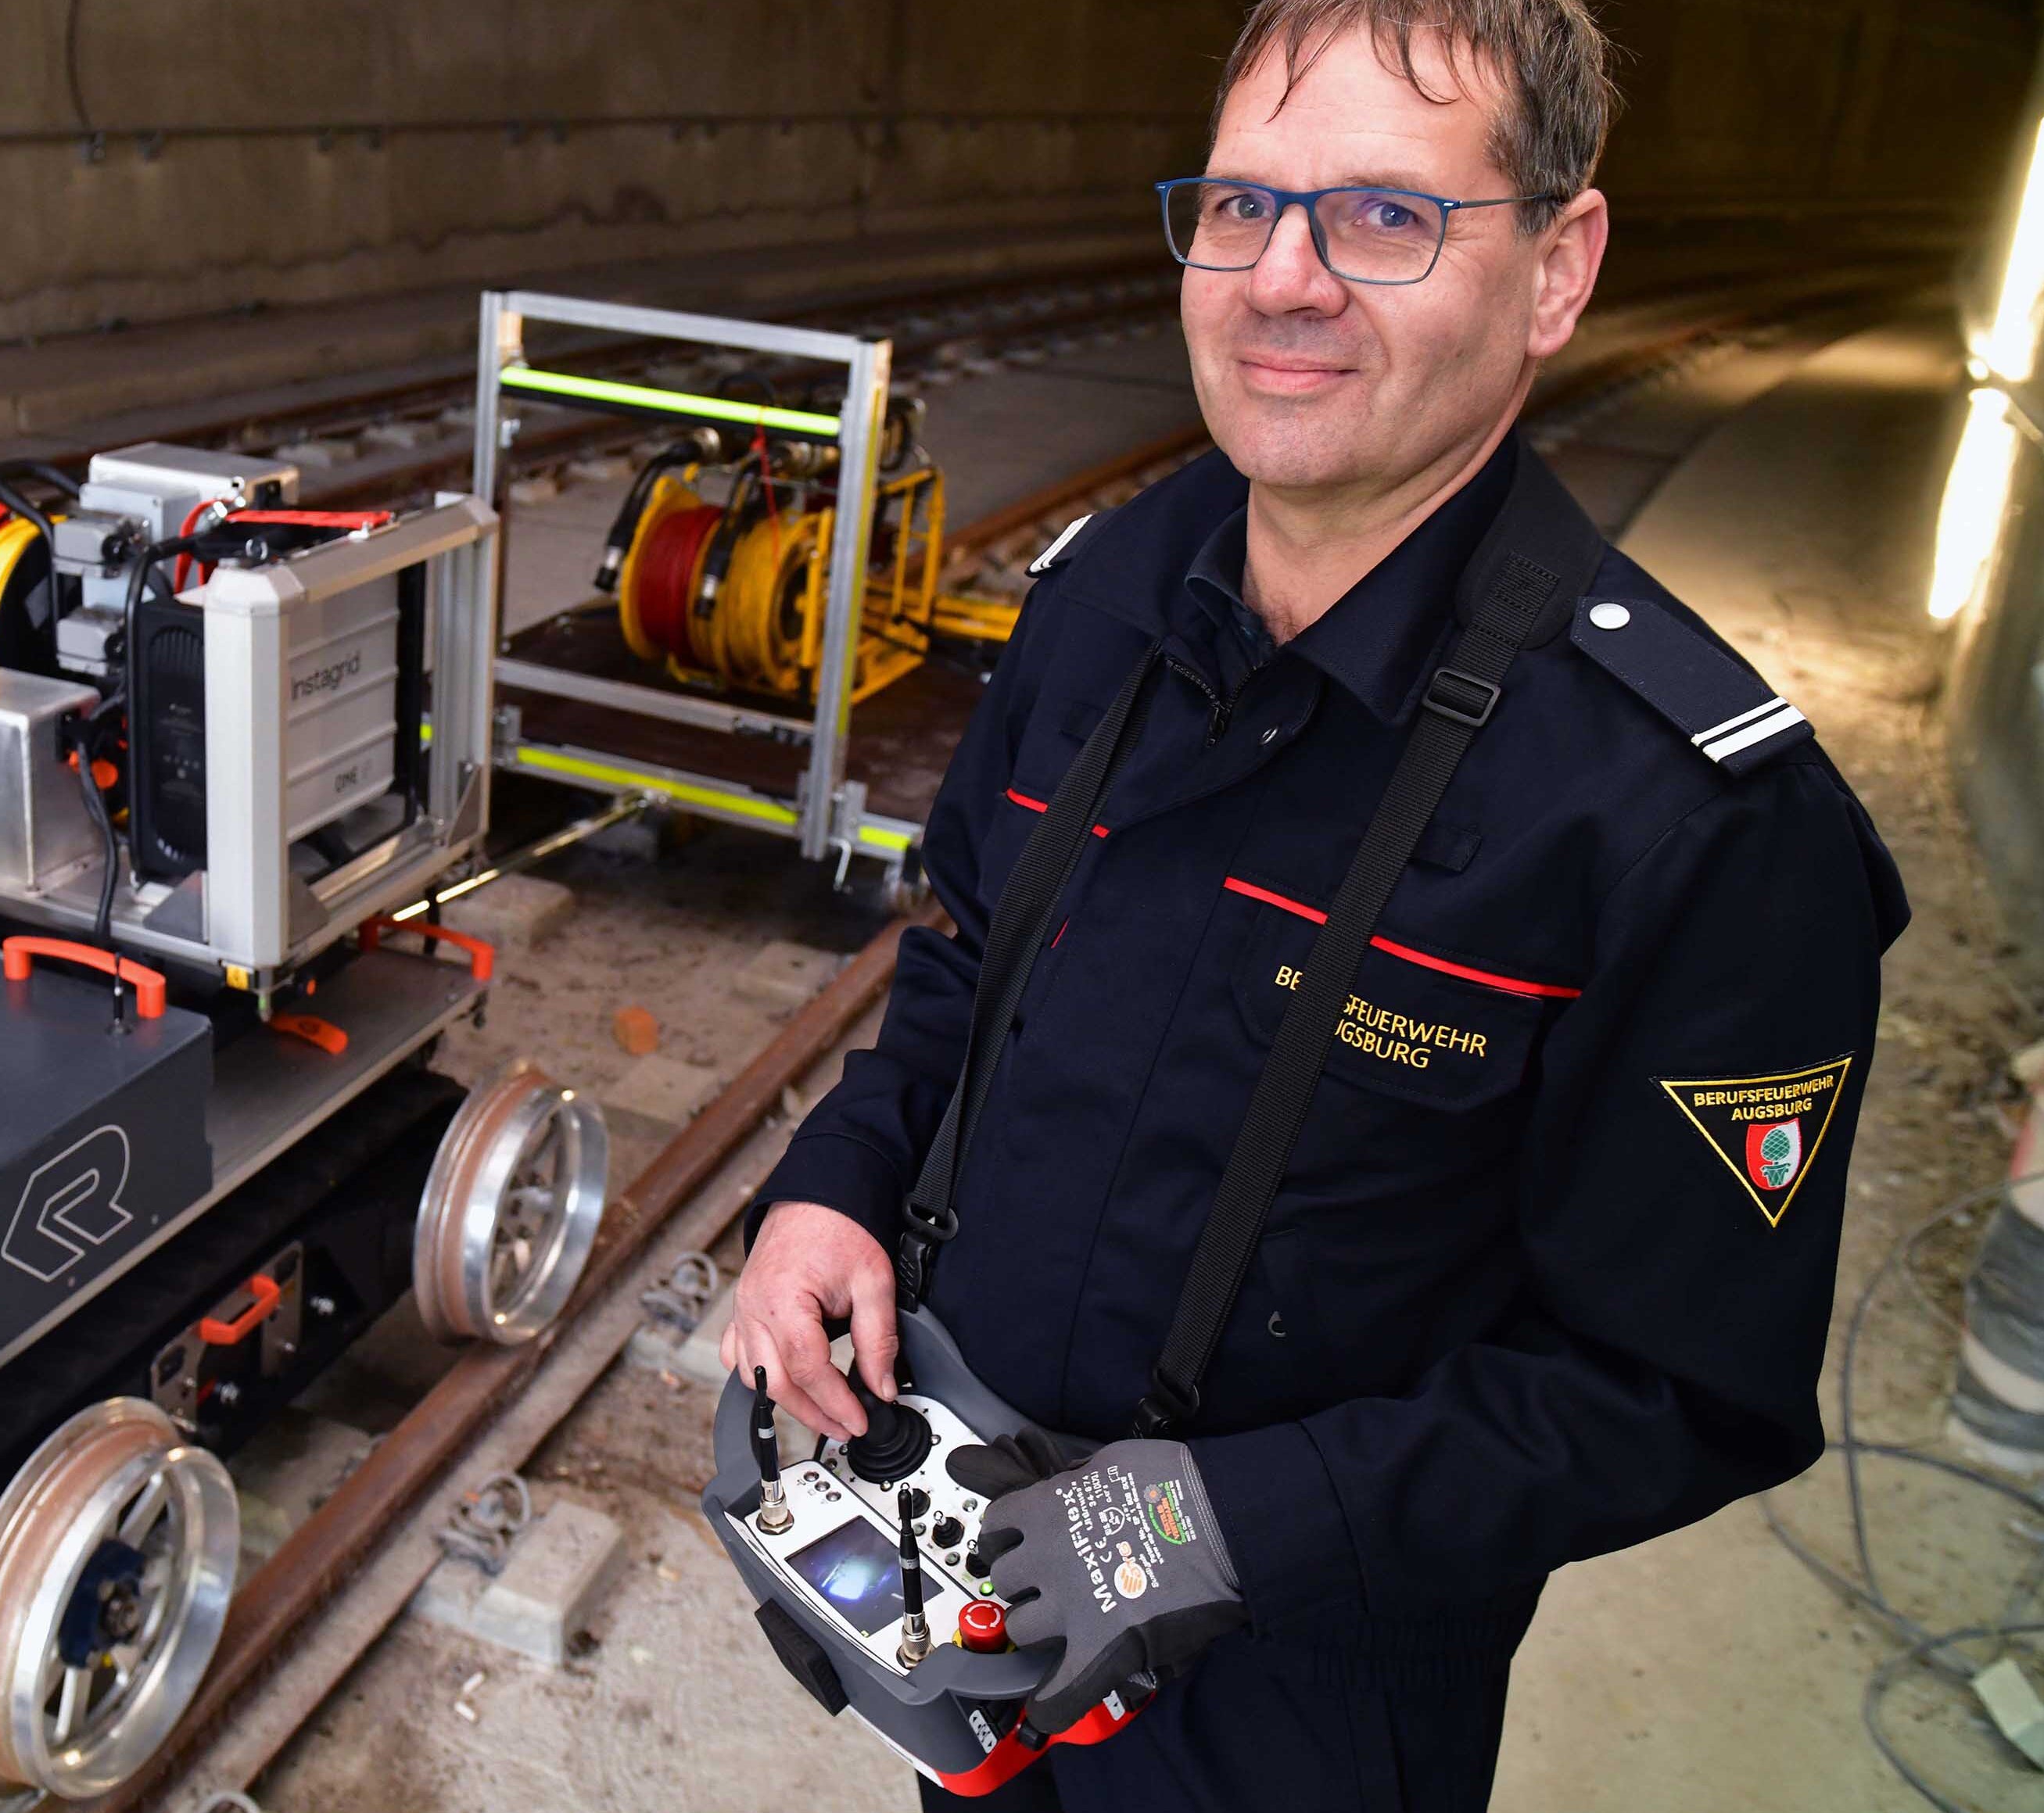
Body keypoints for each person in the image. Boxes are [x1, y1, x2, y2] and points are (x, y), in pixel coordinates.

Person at [720, 0, 1906, 1805]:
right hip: (976, 1625)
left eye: (1381, 216)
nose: (1281, 279)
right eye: (1240, 206)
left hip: (1305, 1711)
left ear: (1558, 268)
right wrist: (834, 1182)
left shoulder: (1687, 825)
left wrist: (1225, 1526)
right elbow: (965, 959)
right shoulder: (1104, 597)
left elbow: (1675, 1389)